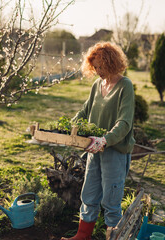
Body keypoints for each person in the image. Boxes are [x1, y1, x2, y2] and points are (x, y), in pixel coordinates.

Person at [61, 42, 135, 240]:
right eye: (95, 67)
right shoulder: (97, 85)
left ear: (111, 63)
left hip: (114, 151)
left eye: (101, 66)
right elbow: (84, 112)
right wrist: (68, 128)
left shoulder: (125, 86)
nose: (98, 71)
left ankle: (114, 237)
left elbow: (125, 122)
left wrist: (105, 140)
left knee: (111, 201)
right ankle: (82, 236)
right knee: (89, 195)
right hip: (94, 149)